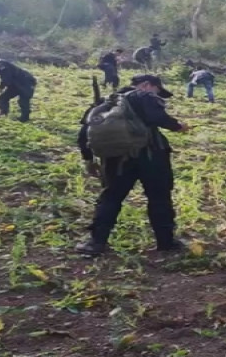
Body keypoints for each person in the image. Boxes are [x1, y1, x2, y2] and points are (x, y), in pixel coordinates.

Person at [76, 75, 189, 256]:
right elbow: (158, 117)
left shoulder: (105, 103)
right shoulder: (142, 96)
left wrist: (88, 159)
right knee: (159, 197)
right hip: (152, 157)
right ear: (146, 85)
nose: (157, 94)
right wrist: (178, 126)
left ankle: (95, 243)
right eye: (157, 90)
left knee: (111, 197)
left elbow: (85, 133)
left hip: (117, 160)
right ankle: (166, 242)